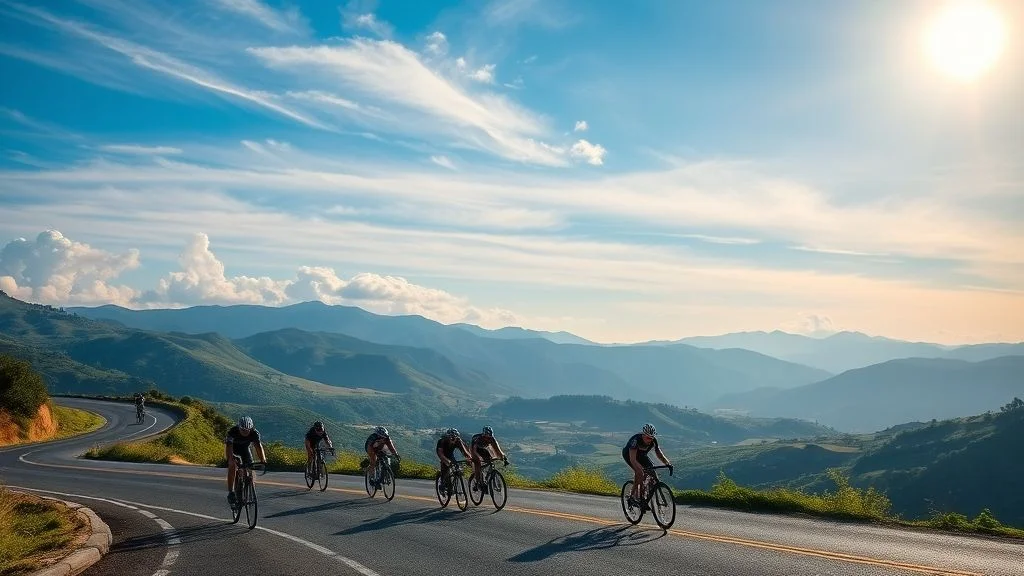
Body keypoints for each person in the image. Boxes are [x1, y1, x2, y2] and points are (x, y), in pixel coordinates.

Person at [622, 423, 672, 504]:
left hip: (642, 456)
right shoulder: (636, 440)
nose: (650, 440)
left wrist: (667, 463)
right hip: (629, 455)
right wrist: (639, 470)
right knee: (639, 473)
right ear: (643, 435)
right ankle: (631, 496)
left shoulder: (653, 440)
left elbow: (659, 454)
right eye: (648, 438)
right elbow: (633, 460)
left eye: (652, 438)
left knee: (654, 475)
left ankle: (645, 495)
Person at [225, 416, 267, 507]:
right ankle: (231, 492)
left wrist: (263, 460)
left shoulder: (254, 433)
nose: (245, 432)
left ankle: (249, 485)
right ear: (239, 427)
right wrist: (231, 459)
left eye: (247, 430)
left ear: (251, 429)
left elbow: (258, 447)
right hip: (233, 449)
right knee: (232, 465)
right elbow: (229, 448)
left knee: (250, 469)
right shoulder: (232, 432)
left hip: (245, 449)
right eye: (242, 429)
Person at [470, 425, 508, 493]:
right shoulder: (478, 439)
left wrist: (504, 458)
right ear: (483, 436)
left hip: (484, 449)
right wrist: (478, 458)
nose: (488, 439)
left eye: (489, 437)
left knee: (490, 460)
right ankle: (477, 483)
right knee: (477, 463)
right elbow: (474, 451)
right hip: (475, 450)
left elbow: (498, 450)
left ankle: (485, 478)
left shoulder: (492, 439)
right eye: (487, 438)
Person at [436, 427, 470, 494]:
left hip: (450, 455)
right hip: (443, 454)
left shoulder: (458, 441)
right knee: (446, 467)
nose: (452, 439)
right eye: (451, 437)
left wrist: (470, 458)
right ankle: (442, 483)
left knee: (457, 468)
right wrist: (446, 461)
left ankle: (452, 484)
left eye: (454, 437)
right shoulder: (442, 441)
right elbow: (440, 454)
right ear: (447, 436)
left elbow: (465, 452)